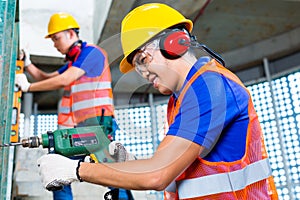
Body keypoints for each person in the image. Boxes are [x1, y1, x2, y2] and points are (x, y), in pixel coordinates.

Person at [36, 4, 279, 199]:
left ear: (175, 43)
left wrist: (76, 170)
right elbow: (175, 176)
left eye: (143, 59)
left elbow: (157, 175)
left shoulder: (210, 87)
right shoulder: (180, 99)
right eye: (137, 67)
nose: (143, 73)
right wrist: (129, 165)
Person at [16, 12, 132, 200]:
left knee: (112, 172)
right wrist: (28, 64)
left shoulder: (92, 53)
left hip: (99, 124)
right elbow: (47, 78)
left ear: (71, 33)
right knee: (59, 164)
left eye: (56, 38)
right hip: (85, 126)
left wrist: (28, 87)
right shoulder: (75, 61)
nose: (54, 44)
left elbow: (65, 79)